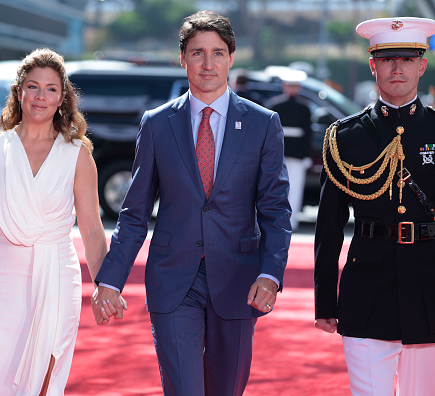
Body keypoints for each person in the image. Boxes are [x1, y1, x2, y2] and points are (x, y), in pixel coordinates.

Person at [92, 10, 291, 395]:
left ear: (232, 57)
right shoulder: (156, 123)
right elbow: (134, 213)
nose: (208, 63)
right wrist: (110, 279)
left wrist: (271, 274)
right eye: (197, 52)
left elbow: (275, 211)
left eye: (217, 52)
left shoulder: (263, 123)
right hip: (172, 278)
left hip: (239, 280)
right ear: (182, 58)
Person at [0, 48, 109, 395]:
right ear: (19, 92)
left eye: (51, 88)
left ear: (63, 97)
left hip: (57, 275)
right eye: (33, 86)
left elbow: (93, 229)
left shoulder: (77, 154)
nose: (41, 96)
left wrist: (105, 285)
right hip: (2, 275)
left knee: (45, 378)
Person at [315, 17, 435, 395]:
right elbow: (329, 227)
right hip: (367, 289)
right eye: (386, 59)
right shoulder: (344, 137)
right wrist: (324, 301)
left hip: (430, 288)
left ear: (422, 64)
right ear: (373, 65)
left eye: (406, 58)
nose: (396, 68)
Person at [267, 71, 313, 231]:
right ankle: (284, 220)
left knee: (291, 187)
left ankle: (288, 221)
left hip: (287, 152)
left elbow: (307, 133)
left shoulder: (274, 104)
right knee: (286, 187)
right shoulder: (303, 107)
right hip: (287, 152)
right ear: (284, 86)